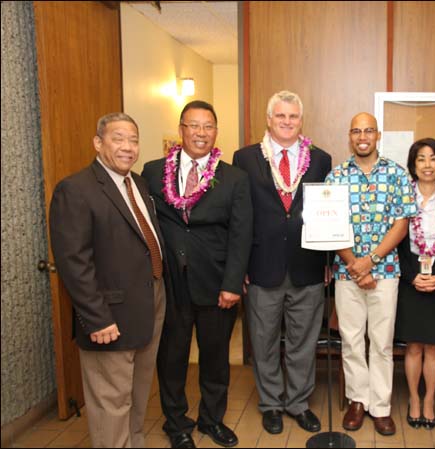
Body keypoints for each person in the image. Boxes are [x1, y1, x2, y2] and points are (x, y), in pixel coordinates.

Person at [49, 113, 166, 448]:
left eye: (133, 139)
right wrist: (96, 317)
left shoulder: (139, 184)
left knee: (138, 393)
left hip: (149, 304)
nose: (128, 147)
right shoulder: (76, 189)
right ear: (98, 143)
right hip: (109, 315)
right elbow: (74, 262)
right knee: (110, 402)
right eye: (118, 138)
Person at [142, 100, 253, 448]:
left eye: (208, 126)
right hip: (170, 283)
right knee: (171, 358)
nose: (200, 133)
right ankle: (176, 423)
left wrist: (233, 284)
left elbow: (241, 234)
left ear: (216, 132)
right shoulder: (152, 171)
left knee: (216, 359)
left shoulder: (234, 177)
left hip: (216, 284)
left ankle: (211, 420)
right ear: (181, 130)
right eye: (193, 125)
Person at [232, 90, 332, 435]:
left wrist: (329, 259)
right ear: (268, 119)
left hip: (308, 265)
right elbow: (240, 216)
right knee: (264, 340)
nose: (287, 122)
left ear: (300, 121)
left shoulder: (320, 159)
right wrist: (239, 266)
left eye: (293, 117)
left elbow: (327, 213)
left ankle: (299, 403)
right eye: (280, 116)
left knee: (304, 341)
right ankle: (271, 403)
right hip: (262, 265)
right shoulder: (244, 158)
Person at [325, 112, 417, 436]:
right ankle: (357, 401)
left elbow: (401, 223)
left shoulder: (397, 174)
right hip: (346, 271)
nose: (362, 136)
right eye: (356, 131)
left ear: (378, 135)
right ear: (349, 136)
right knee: (351, 340)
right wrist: (356, 264)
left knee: (381, 343)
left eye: (368, 131)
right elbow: (330, 226)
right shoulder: (335, 177)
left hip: (387, 271)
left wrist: (372, 260)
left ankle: (381, 407)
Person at [394, 138, 435, 430]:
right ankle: (413, 399)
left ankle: (429, 399)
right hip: (410, 281)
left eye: (433, 158)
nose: (427, 164)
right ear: (413, 165)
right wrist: (412, 277)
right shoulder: (401, 197)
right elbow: (396, 244)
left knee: (432, 348)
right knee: (413, 347)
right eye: (421, 159)